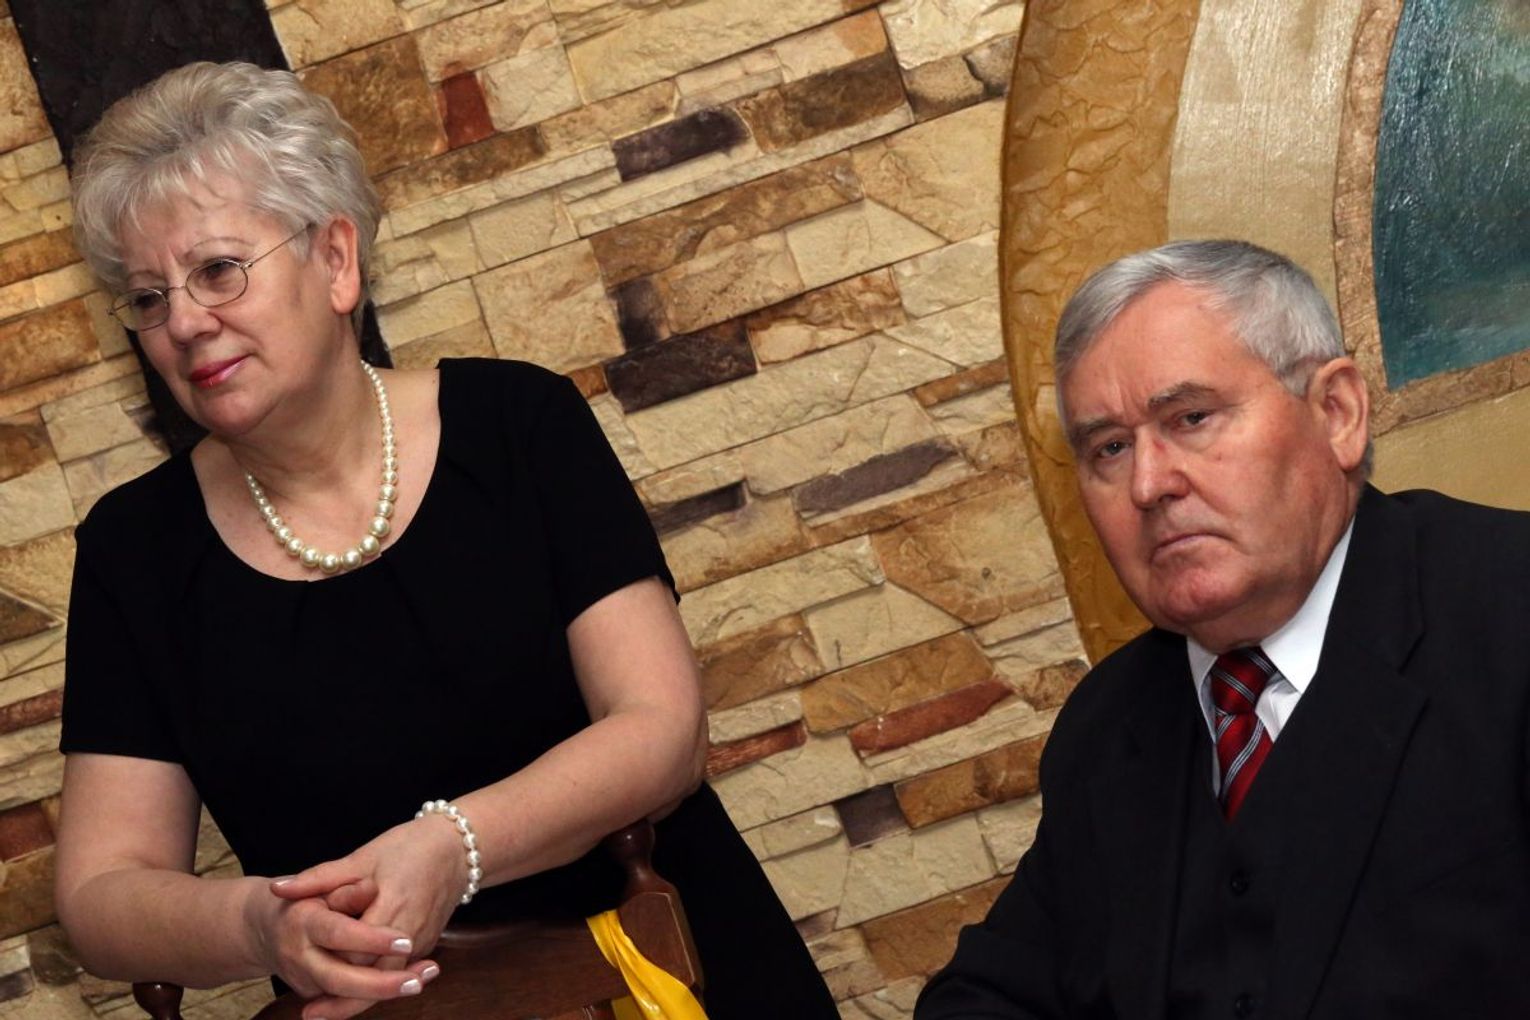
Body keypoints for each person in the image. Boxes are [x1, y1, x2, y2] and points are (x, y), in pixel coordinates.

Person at [53, 61, 837, 1020]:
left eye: (218, 271)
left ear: (335, 260)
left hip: (671, 979)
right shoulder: (134, 551)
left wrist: (452, 847)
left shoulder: (518, 424)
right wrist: (258, 925)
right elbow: (101, 896)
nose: (182, 322)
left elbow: (663, 730)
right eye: (148, 298)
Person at [916, 240, 1530, 1017]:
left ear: (1337, 412)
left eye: (1192, 418)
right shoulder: (1106, 727)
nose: (1148, 484)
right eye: (1110, 448)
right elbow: (988, 995)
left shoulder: (1509, 609)